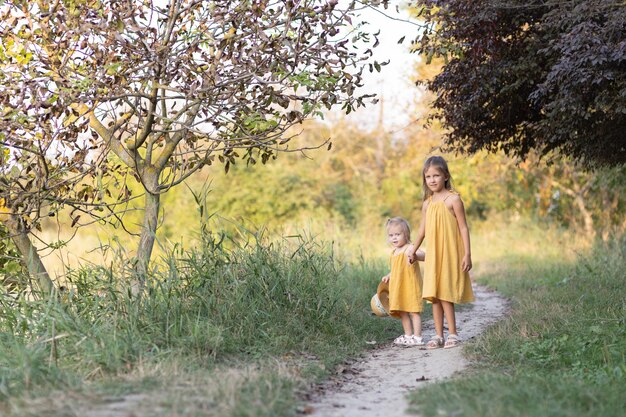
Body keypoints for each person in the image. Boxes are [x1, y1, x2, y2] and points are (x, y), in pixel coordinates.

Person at [408, 156, 474, 349]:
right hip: (434, 256)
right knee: (434, 296)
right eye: (428, 176)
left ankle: (452, 334)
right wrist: (413, 250)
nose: (432, 180)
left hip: (450, 254)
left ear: (445, 176)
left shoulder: (453, 199)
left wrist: (467, 254)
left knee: (445, 294)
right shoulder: (427, 204)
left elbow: (463, 228)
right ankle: (438, 335)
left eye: (436, 175)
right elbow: (422, 230)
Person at [381, 217, 426, 346]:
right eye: (391, 235)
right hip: (399, 287)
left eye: (397, 234)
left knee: (413, 311)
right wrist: (389, 275)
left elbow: (423, 256)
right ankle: (408, 335)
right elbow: (396, 269)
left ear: (406, 235)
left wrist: (415, 255)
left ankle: (417, 337)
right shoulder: (394, 252)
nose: (394, 238)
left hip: (410, 286)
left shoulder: (409, 248)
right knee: (402, 312)